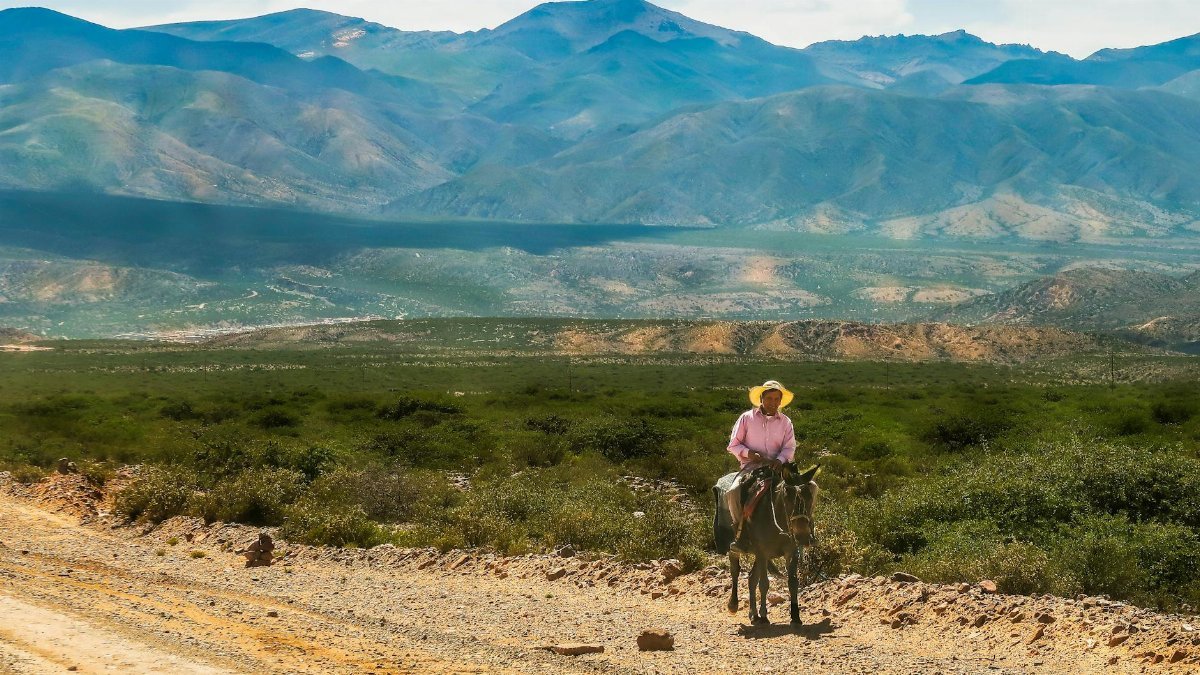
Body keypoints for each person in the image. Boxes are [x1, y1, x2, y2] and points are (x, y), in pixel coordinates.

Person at [725, 379, 797, 552]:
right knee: (733, 491)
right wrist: (749, 454)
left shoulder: (786, 422)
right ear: (761, 399)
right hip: (752, 468)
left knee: (807, 489)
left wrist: (780, 460)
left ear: (781, 401)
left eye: (776, 399)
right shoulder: (746, 418)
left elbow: (789, 447)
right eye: (769, 398)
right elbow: (733, 445)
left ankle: (804, 531)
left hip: (778, 468)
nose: (773, 403)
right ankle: (739, 534)